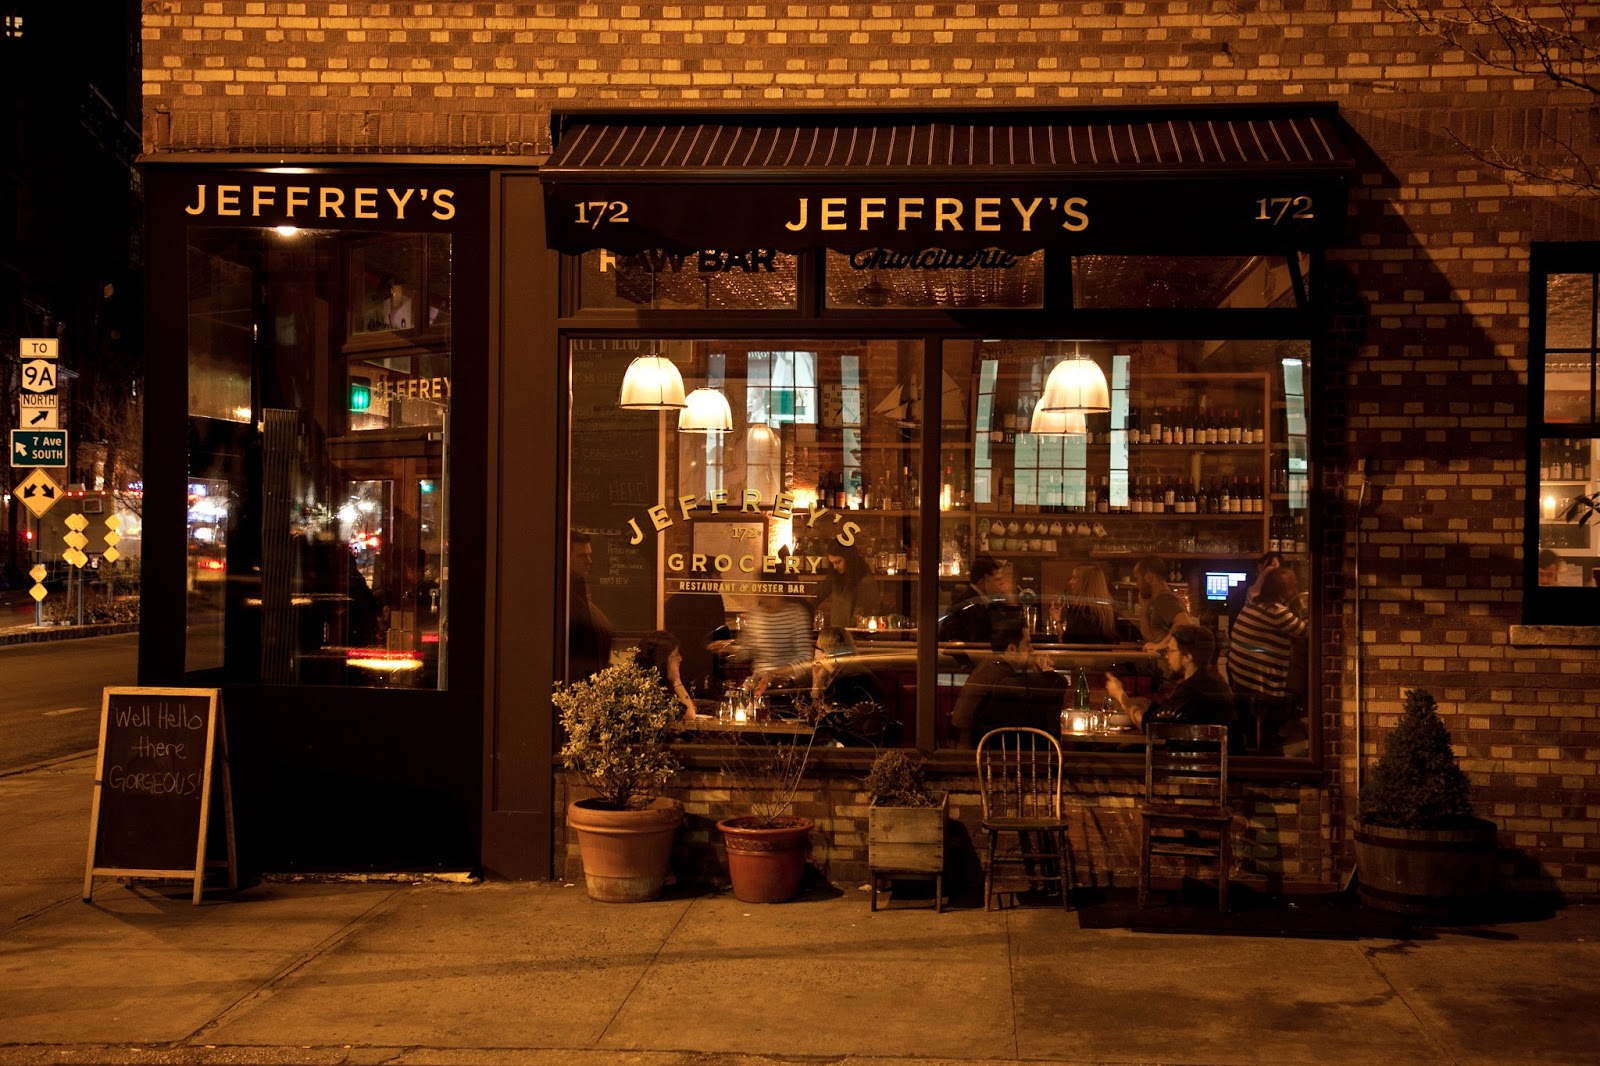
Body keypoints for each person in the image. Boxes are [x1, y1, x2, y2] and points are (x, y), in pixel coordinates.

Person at [1104, 623, 1238, 749]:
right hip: (1213, 763)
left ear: (1188, 656)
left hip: (1195, 767)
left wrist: (1120, 696)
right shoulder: (1213, 681)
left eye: (1171, 651)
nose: (1167, 656)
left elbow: (1150, 726)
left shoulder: (1191, 690)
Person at [951, 611, 1066, 747]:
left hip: (979, 746)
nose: (1032, 650)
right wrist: (1047, 674)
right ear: (1012, 649)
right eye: (1027, 644)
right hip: (978, 753)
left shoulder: (993, 666)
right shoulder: (1002, 677)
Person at [1225, 566, 1310, 750]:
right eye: (1292, 586)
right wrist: (1303, 608)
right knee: (1302, 683)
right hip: (1261, 689)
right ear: (1285, 591)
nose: (1295, 589)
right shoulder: (1277, 613)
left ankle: (1274, 738)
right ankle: (1289, 736)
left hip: (1240, 683)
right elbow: (1309, 632)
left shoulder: (1252, 604)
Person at [728, 595, 813, 691]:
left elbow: (805, 658)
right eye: (763, 596)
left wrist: (776, 673)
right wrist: (729, 649)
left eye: (771, 597)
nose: (765, 601)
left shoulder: (796, 614)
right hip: (758, 683)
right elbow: (747, 651)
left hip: (787, 686)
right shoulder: (756, 615)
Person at [938, 554, 1014, 644]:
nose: (1002, 584)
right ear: (981, 582)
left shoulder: (988, 601)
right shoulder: (970, 605)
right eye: (997, 580)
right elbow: (987, 639)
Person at [567, 531, 612, 679]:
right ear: (565, 557)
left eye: (589, 554)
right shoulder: (565, 596)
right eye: (582, 556)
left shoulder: (579, 591)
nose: (589, 561)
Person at [1132, 554, 1192, 650]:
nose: (1136, 584)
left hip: (1170, 663)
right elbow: (1151, 639)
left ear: (1149, 577)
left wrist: (1160, 646)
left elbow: (1185, 624)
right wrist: (1144, 608)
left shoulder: (1164, 599)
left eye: (1137, 578)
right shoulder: (1160, 599)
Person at [815, 542, 880, 627]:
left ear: (849, 559)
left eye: (838, 562)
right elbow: (817, 595)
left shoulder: (865, 582)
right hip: (839, 634)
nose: (835, 567)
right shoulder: (836, 577)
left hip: (851, 637)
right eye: (832, 563)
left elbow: (859, 618)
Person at [632, 630, 696, 717]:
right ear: (663, 660)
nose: (680, 658)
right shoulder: (652, 693)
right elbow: (690, 715)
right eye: (676, 655)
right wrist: (676, 680)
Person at [1055, 562, 1120, 644]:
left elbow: (1066, 645)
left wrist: (1057, 620)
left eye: (1074, 578)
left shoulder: (1078, 611)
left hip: (1081, 657)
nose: (1070, 582)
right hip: (1104, 657)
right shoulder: (1110, 611)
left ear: (1085, 583)